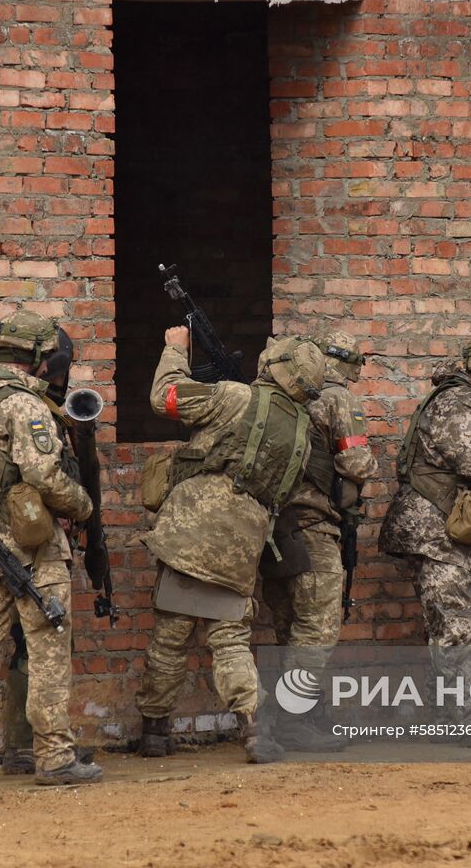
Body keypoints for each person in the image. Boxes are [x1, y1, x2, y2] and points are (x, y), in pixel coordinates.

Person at [135, 326, 326, 764]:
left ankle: (154, 732)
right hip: (243, 544)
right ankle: (255, 732)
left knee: (171, 636)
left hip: (190, 531)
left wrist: (175, 348)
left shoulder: (234, 397)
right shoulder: (302, 430)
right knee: (231, 639)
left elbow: (164, 397)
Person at [0, 310, 101, 786]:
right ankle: (54, 758)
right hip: (29, 545)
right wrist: (84, 505)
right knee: (48, 648)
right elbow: (44, 476)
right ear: (36, 357)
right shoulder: (22, 404)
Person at [379, 332, 471, 744]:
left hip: (442, 532)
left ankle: (448, 715)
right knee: (458, 622)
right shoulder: (458, 403)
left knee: (443, 623)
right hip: (433, 532)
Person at [260, 329, 378, 751]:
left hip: (270, 528)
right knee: (318, 629)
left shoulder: (275, 396)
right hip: (313, 527)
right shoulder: (337, 398)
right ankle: (293, 720)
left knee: (289, 626)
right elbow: (358, 462)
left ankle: (307, 714)